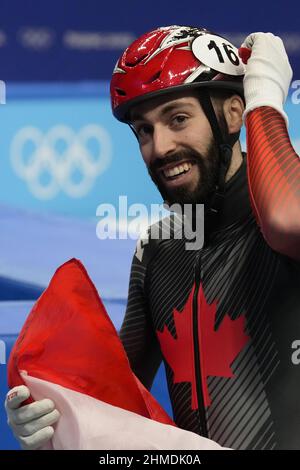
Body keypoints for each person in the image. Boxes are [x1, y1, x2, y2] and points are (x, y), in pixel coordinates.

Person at [5, 26, 300, 450]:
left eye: (178, 119)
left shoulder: (283, 223)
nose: (159, 147)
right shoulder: (158, 249)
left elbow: (287, 219)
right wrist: (50, 423)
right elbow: (114, 403)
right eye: (144, 130)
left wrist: (266, 99)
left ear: (235, 115)